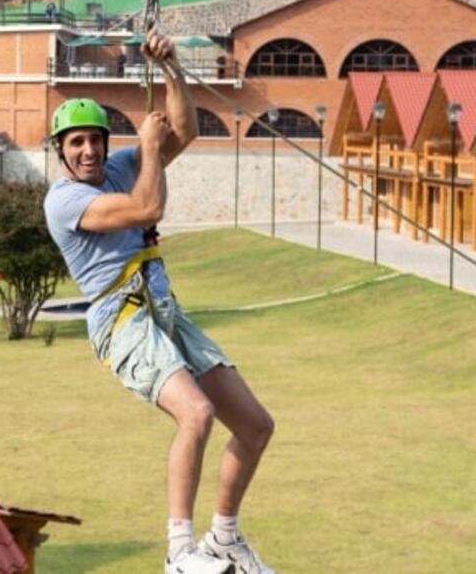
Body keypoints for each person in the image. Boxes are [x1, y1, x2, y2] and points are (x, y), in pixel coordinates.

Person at [43, 29, 275, 574]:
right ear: (60, 151)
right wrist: (148, 147)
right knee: (197, 413)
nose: (88, 150)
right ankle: (179, 552)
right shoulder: (64, 200)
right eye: (75, 143)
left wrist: (171, 68)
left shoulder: (122, 167)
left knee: (255, 425)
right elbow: (147, 209)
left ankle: (224, 538)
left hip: (163, 311)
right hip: (120, 320)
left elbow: (185, 131)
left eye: (95, 140)